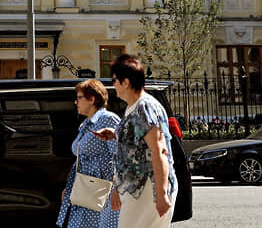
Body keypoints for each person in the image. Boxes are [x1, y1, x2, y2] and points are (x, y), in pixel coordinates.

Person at [93, 55, 177, 228]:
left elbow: (159, 150)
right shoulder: (134, 107)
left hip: (148, 191)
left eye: (115, 79)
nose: (113, 84)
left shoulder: (143, 108)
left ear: (126, 82)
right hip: (138, 190)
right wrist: (116, 134)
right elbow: (138, 141)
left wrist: (160, 195)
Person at [57, 79, 121, 228]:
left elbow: (120, 155)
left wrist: (118, 190)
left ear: (92, 99)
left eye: (79, 98)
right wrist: (71, 186)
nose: (75, 102)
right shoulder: (86, 124)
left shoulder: (108, 119)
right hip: (84, 189)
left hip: (102, 190)